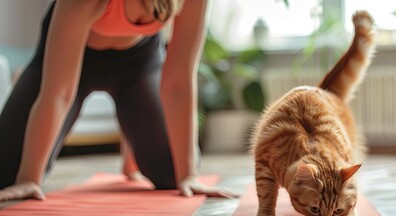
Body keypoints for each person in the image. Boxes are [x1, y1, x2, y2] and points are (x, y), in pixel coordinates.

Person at [0, 0, 235, 201]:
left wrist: (188, 175)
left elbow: (178, 84)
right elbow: (58, 93)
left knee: (172, 175)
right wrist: (29, 178)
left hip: (139, 63)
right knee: (5, 174)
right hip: (76, 54)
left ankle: (131, 130)